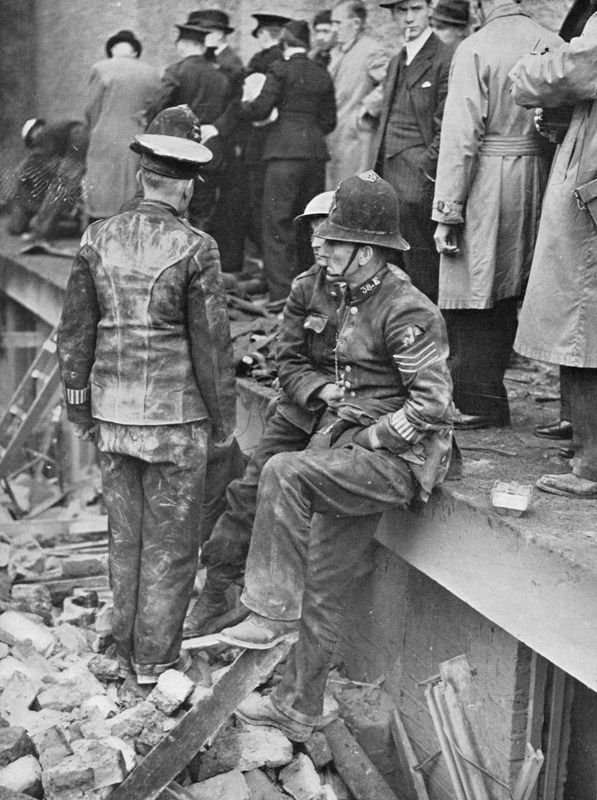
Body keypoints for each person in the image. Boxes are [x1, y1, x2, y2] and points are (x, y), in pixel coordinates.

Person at [214, 172, 454, 741]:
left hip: (397, 460)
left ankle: (271, 611)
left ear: (364, 251)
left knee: (283, 471)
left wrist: (372, 439)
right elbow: (299, 359)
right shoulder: (346, 290)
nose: (322, 247)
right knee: (323, 579)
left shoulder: (406, 309)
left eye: (335, 240)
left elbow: (433, 405)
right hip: (348, 451)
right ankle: (297, 708)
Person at [56, 132, 236, 683]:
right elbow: (211, 347)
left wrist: (80, 408)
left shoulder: (96, 236)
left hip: (113, 418)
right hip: (174, 422)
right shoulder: (197, 246)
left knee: (124, 538)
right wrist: (224, 421)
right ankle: (155, 661)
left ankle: (122, 650)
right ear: (186, 188)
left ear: (141, 178)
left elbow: (75, 333)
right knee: (171, 546)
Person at [183, 189, 336, 638]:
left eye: (327, 233)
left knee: (323, 506)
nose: (318, 243)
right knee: (247, 492)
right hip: (303, 407)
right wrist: (319, 389)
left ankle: (293, 616)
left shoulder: (382, 292)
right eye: (313, 233)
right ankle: (218, 592)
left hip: (351, 417)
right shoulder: (306, 287)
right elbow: (288, 358)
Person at [431, 0, 560, 429]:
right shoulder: (553, 40)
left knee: (474, 290)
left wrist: (447, 210)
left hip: (487, 180)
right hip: (541, 175)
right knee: (516, 290)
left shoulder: (475, 46)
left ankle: (479, 401)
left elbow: (461, 137)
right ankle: (566, 413)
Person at [509, 12, 597, 498]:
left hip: (590, 194)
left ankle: (590, 467)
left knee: (582, 325)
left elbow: (569, 71)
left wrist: (526, 67)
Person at [239, 19, 337, 304]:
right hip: (314, 155)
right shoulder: (321, 72)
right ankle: (310, 292)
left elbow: (261, 109)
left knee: (277, 223)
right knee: (310, 223)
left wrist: (243, 107)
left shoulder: (279, 69)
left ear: (284, 44)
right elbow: (329, 121)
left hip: (282, 154)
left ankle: (282, 295)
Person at [373, 0, 455, 303]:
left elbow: (447, 126)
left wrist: (424, 171)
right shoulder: (397, 59)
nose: (408, 18)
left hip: (418, 184)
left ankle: (429, 328)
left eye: (416, 9)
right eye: (401, 11)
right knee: (392, 267)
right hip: (388, 179)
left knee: (423, 269)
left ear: (430, 8)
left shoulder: (445, 57)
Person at [145, 11, 234, 231]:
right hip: (209, 150)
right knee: (203, 208)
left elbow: (157, 105)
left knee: (171, 205)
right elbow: (231, 109)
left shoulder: (176, 71)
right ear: (203, 46)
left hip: (179, 150)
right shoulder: (221, 76)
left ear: (183, 45)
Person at [83, 30, 161, 221]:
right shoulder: (152, 72)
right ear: (134, 52)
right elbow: (156, 106)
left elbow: (91, 108)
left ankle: (100, 224)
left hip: (106, 134)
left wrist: (96, 129)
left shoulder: (101, 68)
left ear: (113, 50)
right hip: (138, 135)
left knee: (103, 184)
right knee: (132, 184)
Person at [325, 1, 389, 189]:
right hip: (333, 135)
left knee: (353, 191)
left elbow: (390, 82)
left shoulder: (371, 50)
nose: (333, 28)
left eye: (338, 23)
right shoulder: (335, 52)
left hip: (355, 137)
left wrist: (367, 107)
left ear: (355, 23)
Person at [242, 13, 290, 258]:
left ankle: (262, 257)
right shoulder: (285, 59)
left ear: (262, 35)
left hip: (260, 136)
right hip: (281, 140)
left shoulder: (261, 61)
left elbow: (255, 105)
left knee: (258, 198)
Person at [9, 118, 88, 242]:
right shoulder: (58, 129)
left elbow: (50, 159)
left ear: (35, 131)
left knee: (61, 185)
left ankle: (39, 231)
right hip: (87, 137)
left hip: (79, 141)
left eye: (32, 141)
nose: (36, 144)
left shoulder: (45, 132)